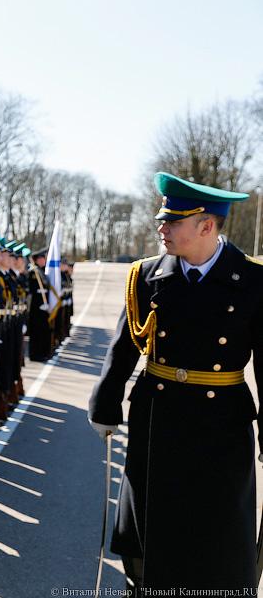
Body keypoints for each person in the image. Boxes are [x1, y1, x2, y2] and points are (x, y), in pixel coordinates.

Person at [89, 172, 261, 591]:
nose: (161, 228)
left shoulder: (253, 281)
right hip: (158, 419)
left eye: (173, 221)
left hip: (222, 424)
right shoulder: (146, 275)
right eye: (162, 220)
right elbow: (124, 348)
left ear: (207, 225)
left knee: (218, 538)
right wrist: (105, 403)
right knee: (151, 535)